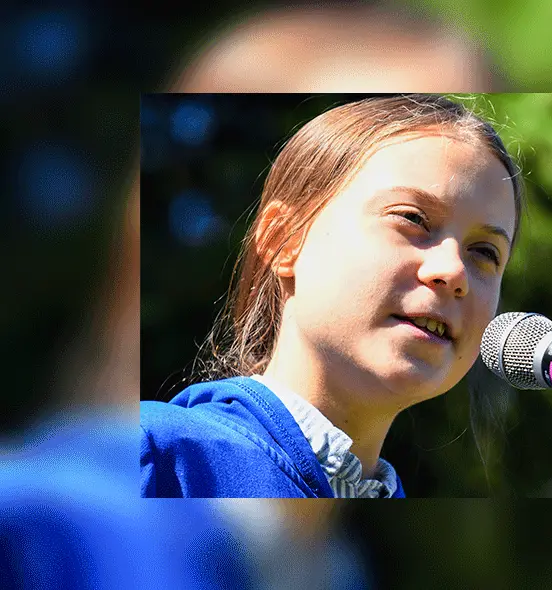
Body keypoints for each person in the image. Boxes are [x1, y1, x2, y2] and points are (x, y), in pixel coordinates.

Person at [141, 94, 524, 498]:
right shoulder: (152, 461)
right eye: (412, 218)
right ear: (282, 241)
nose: (452, 270)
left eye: (485, 252)